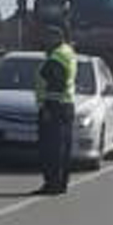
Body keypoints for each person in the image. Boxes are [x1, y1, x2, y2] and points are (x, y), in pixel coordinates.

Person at [34, 26, 78, 195]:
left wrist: (47, 107)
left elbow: (55, 84)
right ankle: (60, 184)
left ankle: (52, 184)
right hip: (66, 105)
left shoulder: (57, 56)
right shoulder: (67, 52)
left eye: (47, 37)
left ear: (56, 38)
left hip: (55, 106)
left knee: (51, 148)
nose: (44, 41)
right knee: (62, 148)